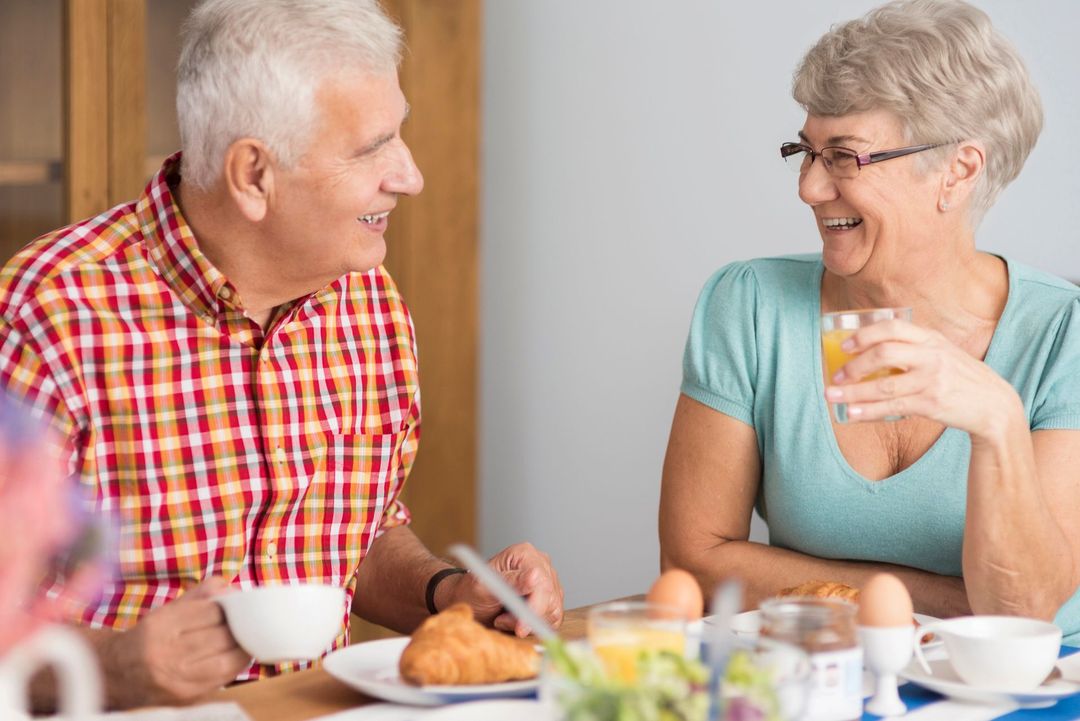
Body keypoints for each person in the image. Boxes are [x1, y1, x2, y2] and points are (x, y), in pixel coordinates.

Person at [0, 0, 563, 710]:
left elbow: (352, 534)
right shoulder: (49, 315)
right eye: (371, 147)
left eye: (400, 133)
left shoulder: (370, 303)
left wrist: (447, 593)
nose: (410, 175)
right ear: (254, 176)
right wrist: (114, 666)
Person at [659, 0, 1080, 642]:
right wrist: (932, 602)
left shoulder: (1062, 335)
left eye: (843, 157)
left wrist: (997, 419)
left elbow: (1022, 615)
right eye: (805, 152)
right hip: (823, 674)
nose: (808, 188)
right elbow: (696, 563)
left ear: (958, 170)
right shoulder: (749, 305)